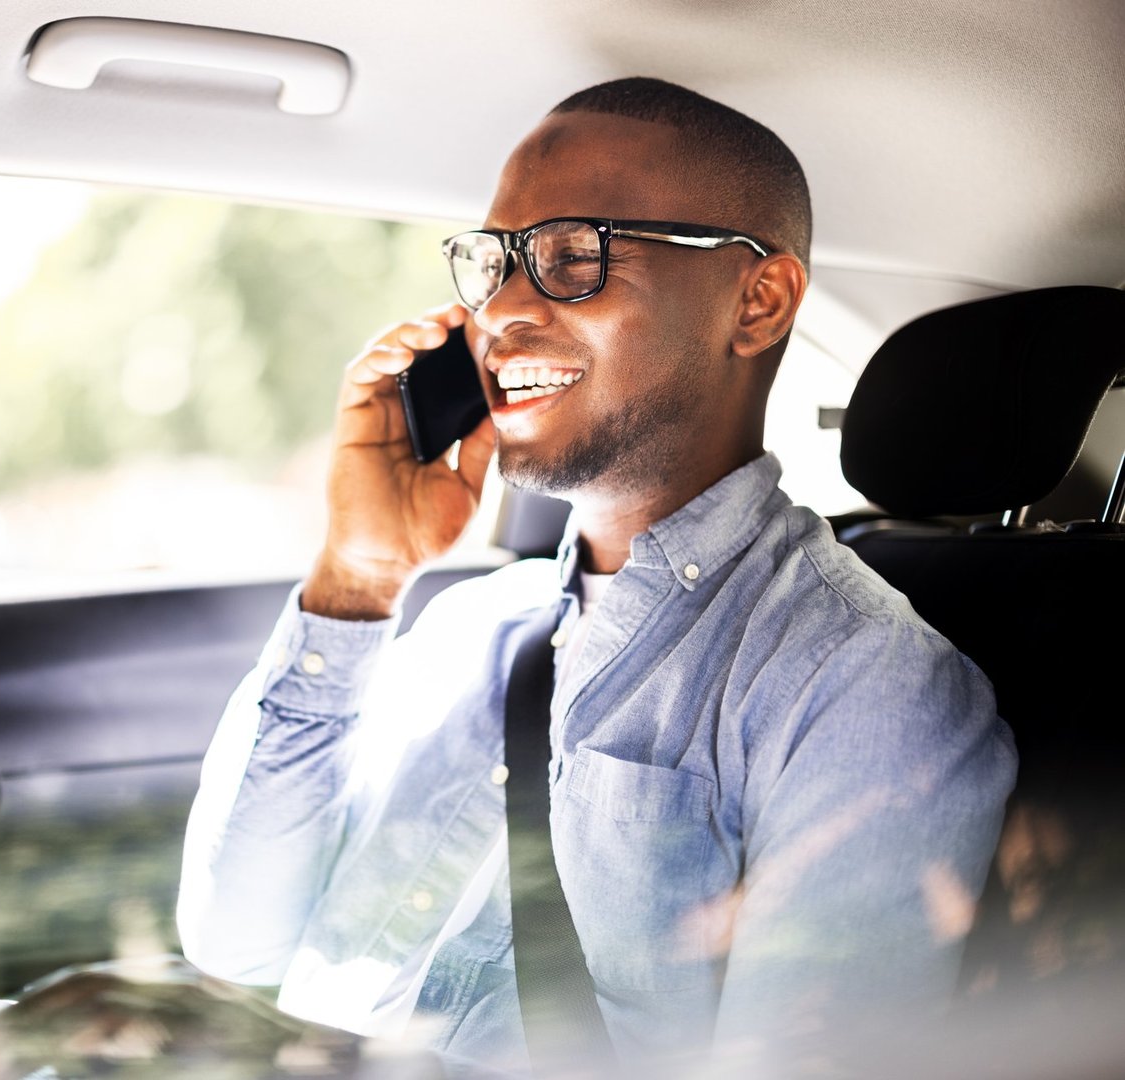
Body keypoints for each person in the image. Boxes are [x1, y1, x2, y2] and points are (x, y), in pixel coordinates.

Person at [175, 76, 1018, 1078]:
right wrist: (355, 581)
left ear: (758, 300)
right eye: (494, 264)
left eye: (576, 257)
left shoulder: (865, 689)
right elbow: (236, 941)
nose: (503, 314)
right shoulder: (467, 627)